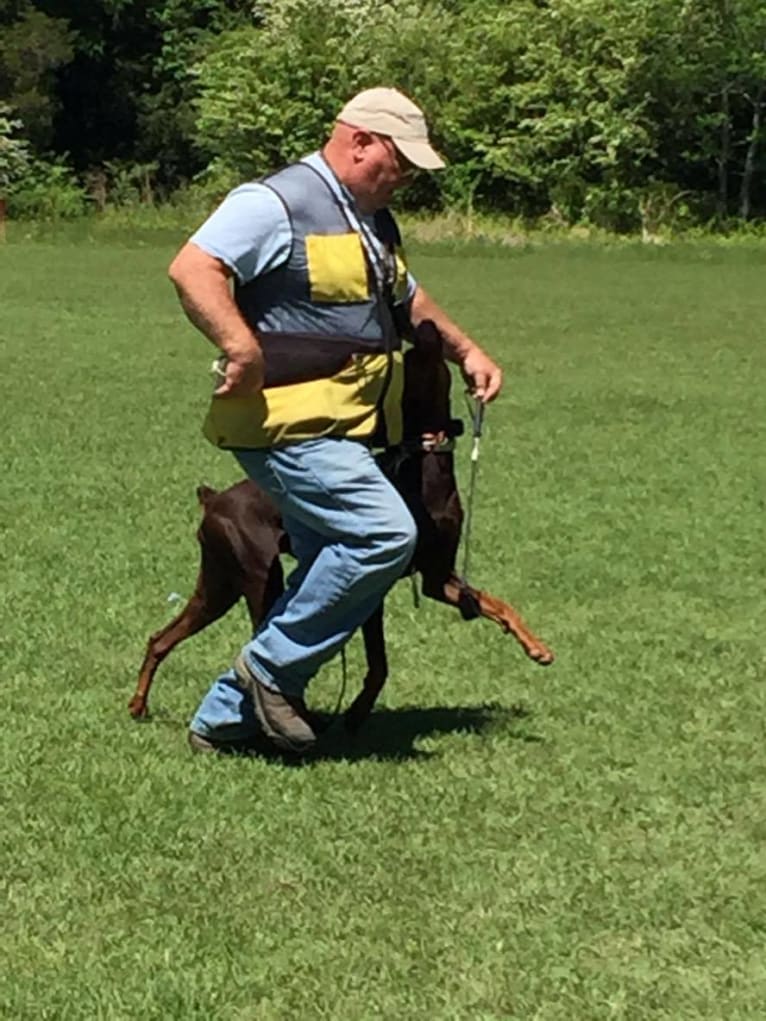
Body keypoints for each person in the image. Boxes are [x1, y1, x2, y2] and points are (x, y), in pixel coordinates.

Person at [168, 86, 503, 756]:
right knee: (383, 535)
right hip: (284, 421)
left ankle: (223, 717)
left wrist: (465, 349)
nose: (404, 175)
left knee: (333, 559)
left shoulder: (372, 220)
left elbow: (408, 300)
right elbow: (193, 266)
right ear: (358, 141)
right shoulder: (275, 203)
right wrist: (239, 345)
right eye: (397, 160)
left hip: (343, 425)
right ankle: (269, 672)